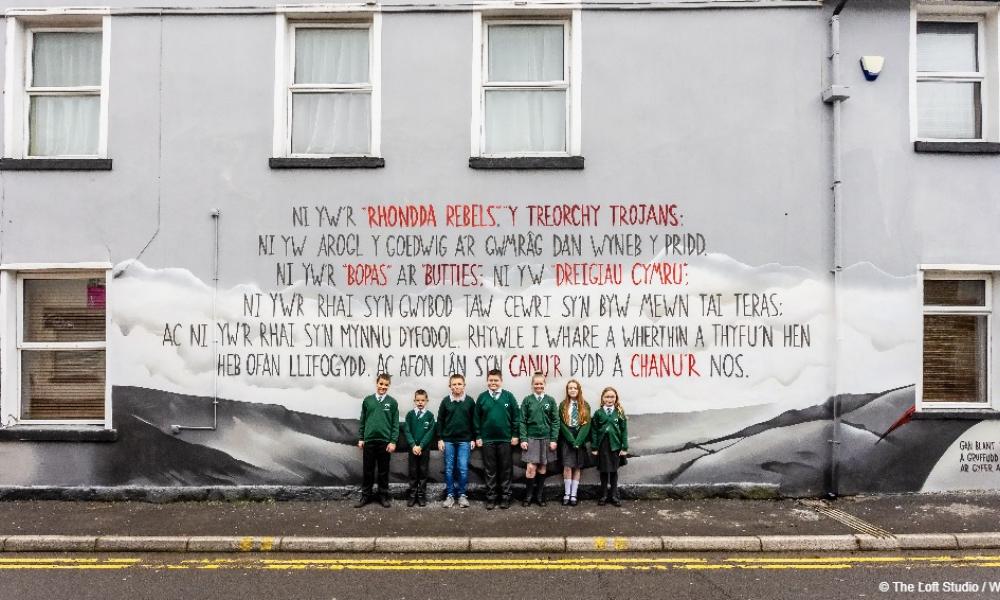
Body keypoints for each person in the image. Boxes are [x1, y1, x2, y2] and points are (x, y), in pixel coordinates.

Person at [475, 368, 520, 510]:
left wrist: (515, 435)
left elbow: (516, 417)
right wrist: (478, 436)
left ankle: (505, 497)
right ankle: (491, 498)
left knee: (506, 469)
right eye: (490, 380)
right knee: (490, 470)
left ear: (501, 381)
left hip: (505, 439)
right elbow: (476, 419)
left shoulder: (508, 397)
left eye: (496, 380)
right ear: (487, 381)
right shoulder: (482, 398)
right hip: (487, 440)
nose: (493, 383)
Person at [356, 373, 399, 508]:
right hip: (369, 441)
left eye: (386, 385)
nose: (383, 387)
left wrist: (393, 441)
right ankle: (365, 496)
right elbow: (363, 420)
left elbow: (395, 424)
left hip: (385, 442)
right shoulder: (368, 400)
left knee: (383, 471)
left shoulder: (392, 402)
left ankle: (383, 496)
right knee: (368, 470)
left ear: (389, 386)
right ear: (377, 383)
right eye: (381, 384)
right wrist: (361, 438)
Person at [436, 373, 477, 509]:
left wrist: (473, 438)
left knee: (463, 468)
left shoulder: (470, 401)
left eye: (459, 384)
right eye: (454, 384)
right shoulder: (445, 401)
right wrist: (440, 438)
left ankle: (462, 495)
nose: (457, 386)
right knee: (448, 468)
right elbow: (440, 420)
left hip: (464, 440)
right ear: (450, 386)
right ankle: (450, 495)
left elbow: (474, 421)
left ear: (464, 386)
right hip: (448, 440)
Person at [519, 372, 558, 507]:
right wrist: (523, 438)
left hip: (546, 438)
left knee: (542, 467)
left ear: (544, 385)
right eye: (536, 383)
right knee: (531, 467)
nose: (538, 386)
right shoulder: (527, 400)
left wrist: (554, 439)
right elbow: (522, 421)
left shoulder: (550, 400)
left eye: (541, 383)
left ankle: (539, 496)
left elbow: (555, 421)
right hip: (531, 438)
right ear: (532, 385)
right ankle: (528, 496)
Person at [590, 386, 628, 507]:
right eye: (607, 396)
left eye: (612, 397)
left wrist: (624, 447)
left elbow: (624, 430)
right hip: (603, 446)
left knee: (613, 471)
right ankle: (604, 495)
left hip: (615, 446)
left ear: (616, 398)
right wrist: (595, 447)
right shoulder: (598, 413)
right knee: (604, 471)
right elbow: (594, 430)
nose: (609, 399)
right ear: (602, 398)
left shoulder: (620, 412)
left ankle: (614, 495)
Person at [558, 379, 592, 507]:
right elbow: (561, 424)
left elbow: (587, 424)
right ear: (567, 390)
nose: (572, 390)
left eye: (575, 388)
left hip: (580, 437)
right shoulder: (563, 405)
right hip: (567, 438)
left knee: (577, 466)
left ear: (579, 390)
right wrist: (571, 440)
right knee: (567, 466)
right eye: (570, 388)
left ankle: (574, 494)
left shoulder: (585, 405)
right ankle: (566, 493)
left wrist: (578, 440)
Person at [403, 389, 435, 507]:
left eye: (422, 400)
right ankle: (412, 495)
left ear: (426, 401)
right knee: (413, 472)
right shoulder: (410, 415)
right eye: (418, 400)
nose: (420, 402)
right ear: (414, 401)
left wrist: (421, 446)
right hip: (413, 449)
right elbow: (407, 431)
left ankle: (421, 495)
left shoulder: (430, 416)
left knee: (423, 471)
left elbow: (430, 433)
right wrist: (413, 445)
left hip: (424, 449)